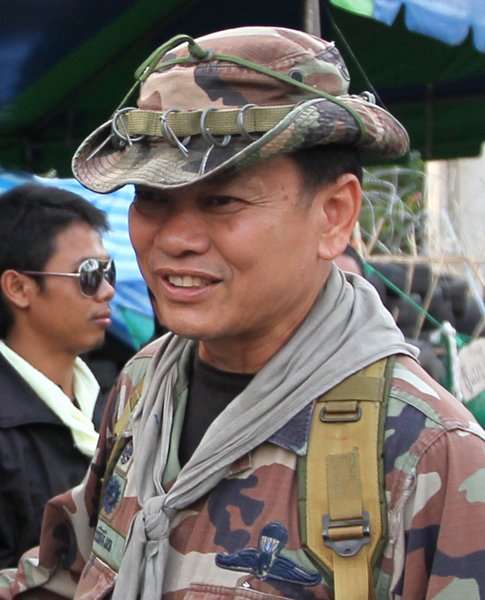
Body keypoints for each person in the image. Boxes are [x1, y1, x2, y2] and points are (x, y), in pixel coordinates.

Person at [1, 26, 485, 600]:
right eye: (151, 199)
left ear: (334, 215)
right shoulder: (146, 385)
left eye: (223, 200)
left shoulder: (428, 454)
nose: (174, 239)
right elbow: (72, 570)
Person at [0, 183, 116, 568]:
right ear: (19, 288)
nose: (107, 290)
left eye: (108, 271)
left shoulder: (121, 403)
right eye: (88, 274)